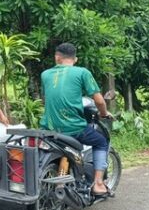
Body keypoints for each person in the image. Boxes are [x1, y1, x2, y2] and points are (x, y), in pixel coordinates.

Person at [40, 42, 113, 197]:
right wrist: (104, 113)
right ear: (75, 59)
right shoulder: (82, 72)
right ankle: (99, 184)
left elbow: (46, 99)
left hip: (48, 129)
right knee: (101, 142)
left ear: (57, 57)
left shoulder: (45, 74)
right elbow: (100, 101)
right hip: (73, 129)